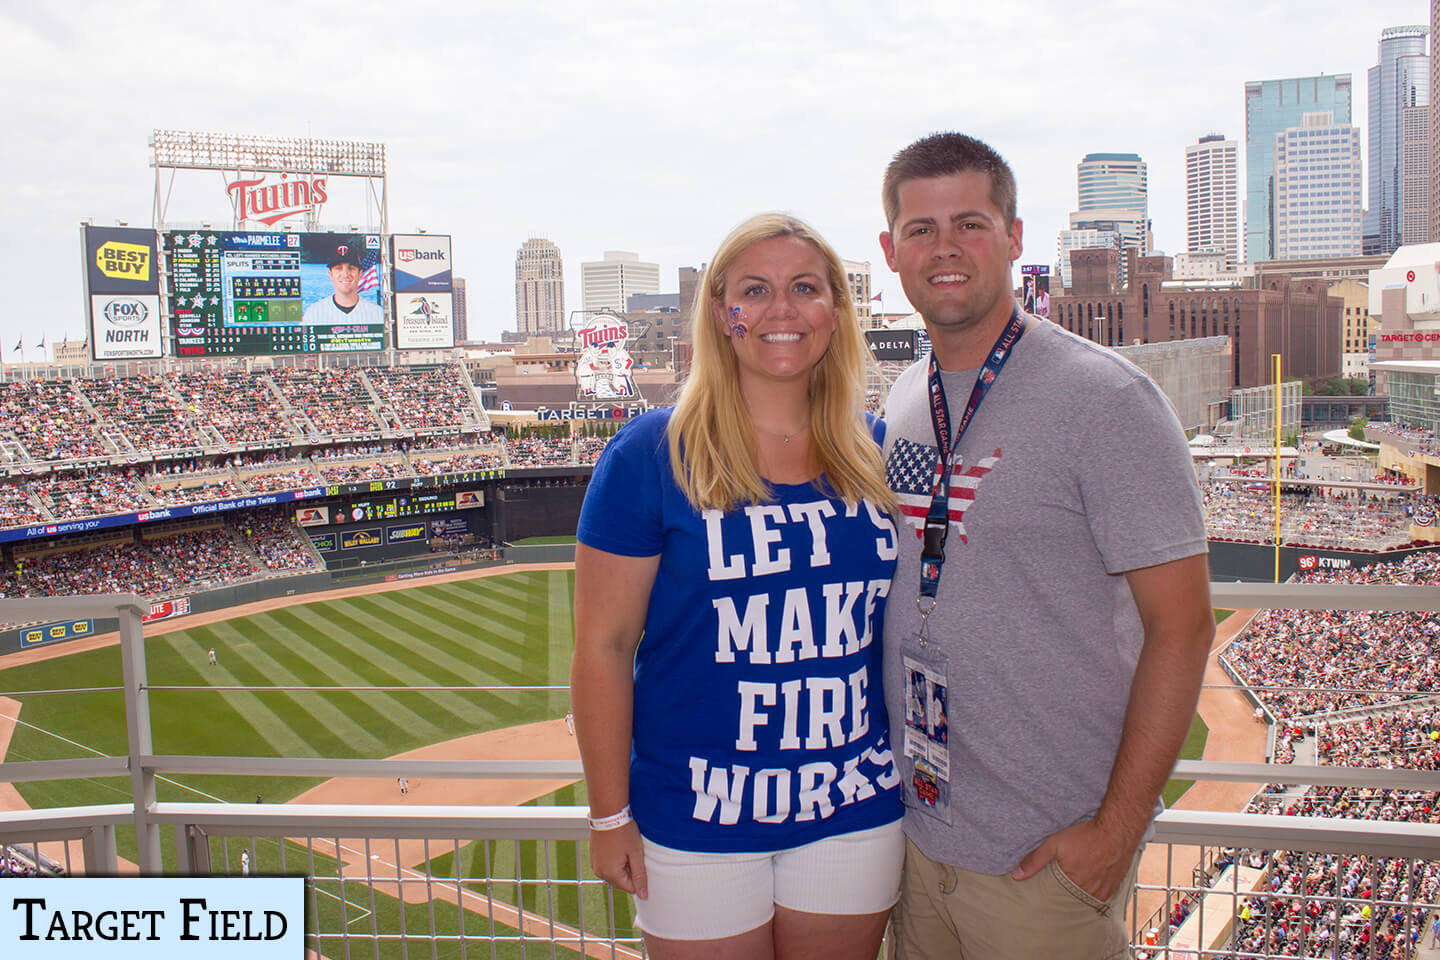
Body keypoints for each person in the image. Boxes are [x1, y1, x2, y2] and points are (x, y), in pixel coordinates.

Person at [874, 132, 1214, 959]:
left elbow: (1183, 626)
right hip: (913, 842)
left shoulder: (1108, 400)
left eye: (970, 223)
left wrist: (1115, 834)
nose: (945, 248)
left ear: (1015, 236)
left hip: (1044, 861)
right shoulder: (904, 396)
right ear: (890, 251)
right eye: (921, 229)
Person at [571, 213, 904, 959]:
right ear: (724, 315)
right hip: (696, 815)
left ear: (836, 312)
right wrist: (608, 816)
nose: (782, 308)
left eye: (806, 288)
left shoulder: (876, 451)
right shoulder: (651, 453)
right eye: (754, 290)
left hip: (853, 806)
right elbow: (603, 646)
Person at [303, 240, 385, 325]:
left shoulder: (377, 313)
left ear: (360, 273)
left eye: (351, 268)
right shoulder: (314, 313)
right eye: (338, 268)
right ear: (330, 274)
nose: (345, 274)